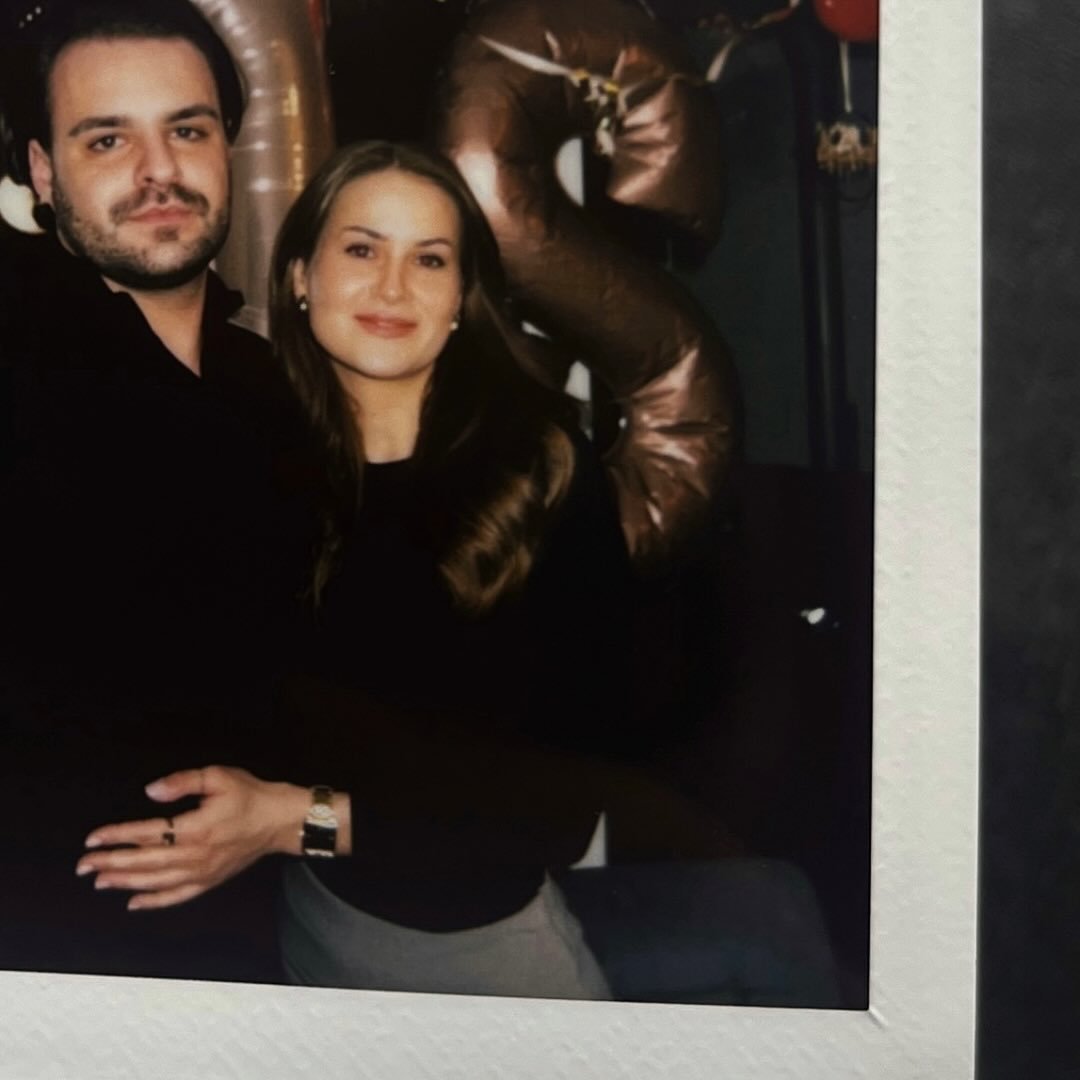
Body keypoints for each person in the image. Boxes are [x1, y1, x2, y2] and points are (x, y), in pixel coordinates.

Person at [78, 141, 635, 1000]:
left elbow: (557, 814)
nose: (393, 288)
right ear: (302, 276)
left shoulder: (544, 471)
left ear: (461, 298)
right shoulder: (266, 462)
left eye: (430, 260)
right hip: (309, 934)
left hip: (481, 961)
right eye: (363, 249)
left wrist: (288, 821)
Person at [0, 0, 312, 981]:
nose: (157, 171)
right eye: (107, 139)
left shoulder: (275, 390)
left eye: (187, 130)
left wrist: (288, 819)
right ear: (42, 172)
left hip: (248, 955)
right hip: (44, 967)